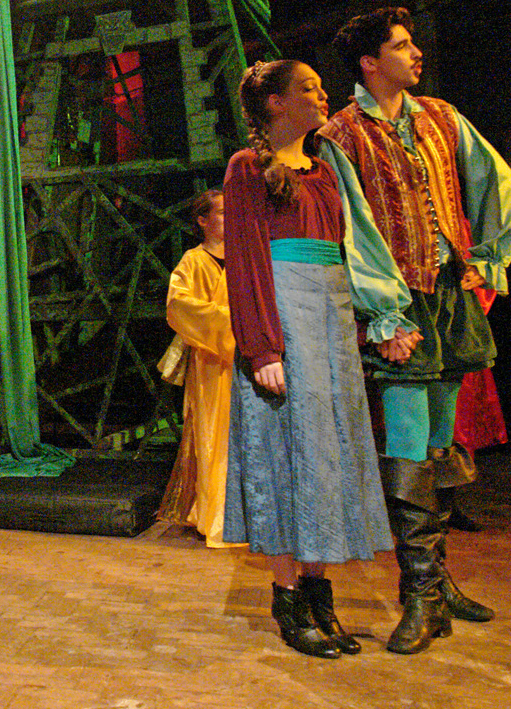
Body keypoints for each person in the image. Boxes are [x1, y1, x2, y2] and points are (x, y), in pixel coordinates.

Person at [321, 7, 511, 654]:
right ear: (369, 62)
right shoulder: (342, 134)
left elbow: (496, 179)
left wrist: (488, 254)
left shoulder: (440, 116)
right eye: (401, 46)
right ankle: (419, 595)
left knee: (438, 442)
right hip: (400, 301)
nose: (416, 54)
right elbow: (353, 228)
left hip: (450, 293)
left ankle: (438, 583)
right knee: (408, 445)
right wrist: (383, 312)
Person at [224, 60, 409, 659]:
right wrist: (263, 346)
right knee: (284, 458)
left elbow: (355, 249)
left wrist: (376, 319)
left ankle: (318, 591)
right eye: (308, 88)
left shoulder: (327, 170)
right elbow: (246, 258)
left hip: (331, 321)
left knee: (327, 457)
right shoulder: (248, 167)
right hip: (284, 318)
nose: (322, 94)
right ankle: (286, 598)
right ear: (276, 103)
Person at [156, 189, 240, 549]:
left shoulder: (244, 256)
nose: (230, 217)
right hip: (210, 360)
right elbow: (179, 305)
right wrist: (230, 324)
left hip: (246, 358)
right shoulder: (193, 261)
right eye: (221, 212)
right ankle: (216, 514)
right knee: (213, 435)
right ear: (203, 221)